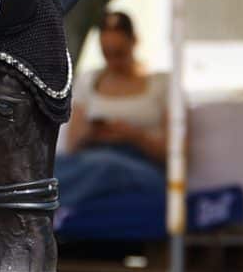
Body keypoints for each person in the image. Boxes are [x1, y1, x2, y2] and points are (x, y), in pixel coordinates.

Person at [54, 11, 166, 211]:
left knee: (105, 166)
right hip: (91, 158)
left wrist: (134, 136)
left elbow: (174, 153)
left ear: (134, 42)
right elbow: (72, 147)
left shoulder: (160, 84)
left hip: (141, 165)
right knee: (51, 165)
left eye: (119, 53)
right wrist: (92, 133)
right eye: (107, 53)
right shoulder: (89, 81)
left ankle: (49, 208)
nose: (113, 61)